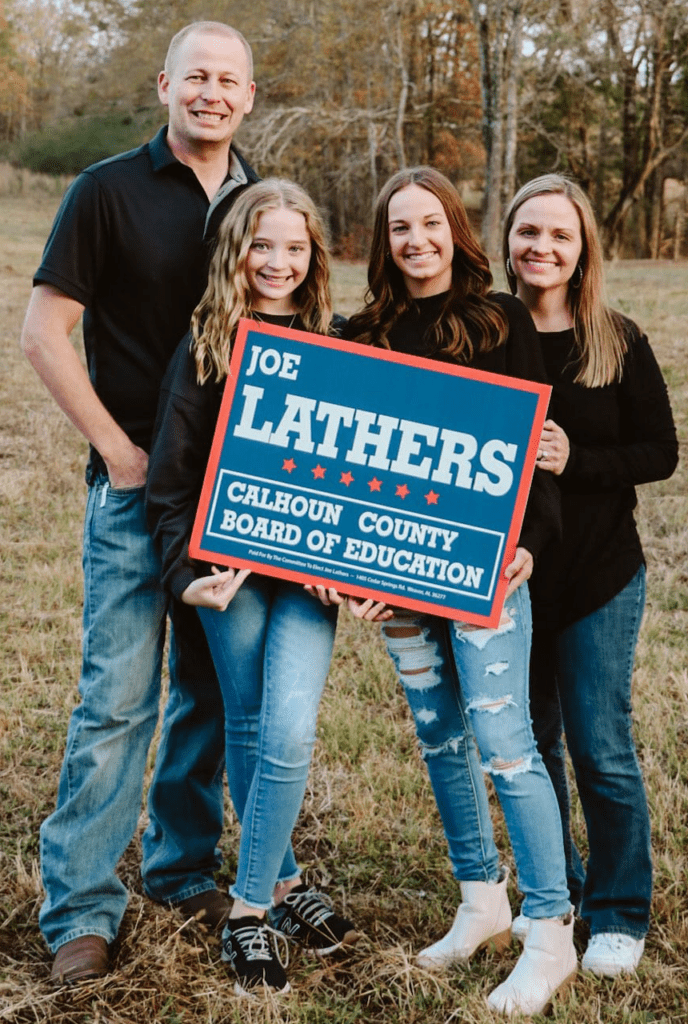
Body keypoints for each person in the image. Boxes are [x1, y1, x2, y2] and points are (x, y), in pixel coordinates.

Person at [20, 21, 259, 985]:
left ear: (250, 95)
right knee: (117, 700)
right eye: (195, 75)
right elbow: (43, 332)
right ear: (165, 84)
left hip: (231, 501)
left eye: (228, 80)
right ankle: (80, 907)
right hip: (132, 496)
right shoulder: (106, 190)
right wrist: (117, 451)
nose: (211, 92)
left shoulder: (260, 196)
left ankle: (181, 863)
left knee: (209, 691)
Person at [331, 166, 577, 1016]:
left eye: (430, 223)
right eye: (400, 227)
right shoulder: (362, 332)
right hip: (397, 576)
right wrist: (347, 570)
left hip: (485, 570)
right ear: (383, 241)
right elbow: (344, 471)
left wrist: (532, 548)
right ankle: (483, 900)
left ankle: (551, 931)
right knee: (439, 737)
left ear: (455, 230)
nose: (416, 241)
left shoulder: (501, 319)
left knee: (505, 740)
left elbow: (536, 449)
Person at [146, 179, 359, 998]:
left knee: (291, 724)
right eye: (261, 246)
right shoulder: (207, 344)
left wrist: (351, 562)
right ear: (236, 253)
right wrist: (186, 578)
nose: (277, 262)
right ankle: (278, 884)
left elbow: (358, 474)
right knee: (247, 721)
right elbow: (170, 482)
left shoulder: (336, 349)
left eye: (294, 248)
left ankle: (244, 909)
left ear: (314, 257)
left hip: (307, 580)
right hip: (229, 575)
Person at [502, 174, 678, 977]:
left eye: (558, 236)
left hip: (601, 576)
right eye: (527, 232)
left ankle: (618, 910)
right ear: (508, 241)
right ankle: (556, 899)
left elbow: (661, 452)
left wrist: (579, 459)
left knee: (600, 749)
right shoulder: (489, 333)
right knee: (530, 747)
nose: (541, 247)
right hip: (510, 580)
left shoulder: (617, 338)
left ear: (581, 251)